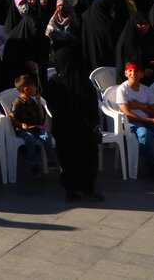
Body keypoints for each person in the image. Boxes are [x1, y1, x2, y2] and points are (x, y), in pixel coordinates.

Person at [44, 44, 103, 202]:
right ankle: (88, 188)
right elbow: (92, 104)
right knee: (89, 156)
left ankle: (71, 189)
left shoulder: (55, 82)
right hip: (85, 128)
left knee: (68, 158)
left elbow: (51, 104)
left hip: (64, 128)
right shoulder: (85, 81)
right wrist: (95, 122)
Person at [113, 61, 154, 178]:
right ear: (126, 73)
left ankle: (152, 158)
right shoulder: (122, 90)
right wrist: (151, 120)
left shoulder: (147, 90)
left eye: (136, 71)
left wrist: (141, 107)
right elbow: (128, 114)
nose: (133, 74)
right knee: (145, 134)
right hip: (132, 122)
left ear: (142, 74)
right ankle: (153, 164)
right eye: (130, 71)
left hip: (148, 120)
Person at [10, 72, 58, 176]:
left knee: (46, 136)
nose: (36, 88)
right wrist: (20, 124)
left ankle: (50, 160)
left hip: (36, 128)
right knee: (30, 138)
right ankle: (33, 164)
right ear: (26, 89)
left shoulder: (32, 102)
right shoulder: (17, 103)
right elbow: (12, 118)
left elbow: (40, 116)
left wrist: (39, 102)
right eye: (34, 86)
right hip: (24, 130)